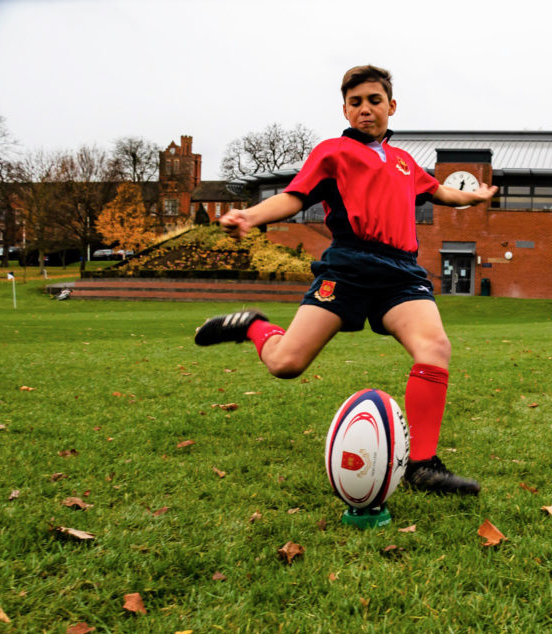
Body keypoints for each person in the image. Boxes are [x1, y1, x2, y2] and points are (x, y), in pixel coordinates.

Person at [195, 65, 496, 495]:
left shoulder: (405, 163)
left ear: (391, 106)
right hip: (349, 268)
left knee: (435, 347)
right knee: (286, 364)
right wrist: (251, 215)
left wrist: (476, 195)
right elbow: (294, 196)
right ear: (345, 109)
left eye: (374, 101)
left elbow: (444, 193)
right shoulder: (333, 152)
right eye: (356, 103)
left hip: (402, 275)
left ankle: (424, 467)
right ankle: (253, 326)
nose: (366, 109)